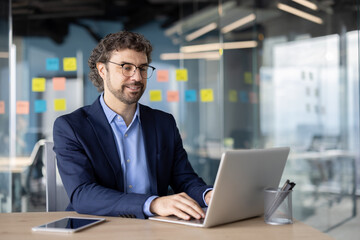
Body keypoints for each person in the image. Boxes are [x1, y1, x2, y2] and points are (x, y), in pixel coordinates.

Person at [53, 31, 213, 220]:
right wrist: (153, 203)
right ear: (102, 70)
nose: (137, 77)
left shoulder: (164, 123)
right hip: (96, 228)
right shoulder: (71, 127)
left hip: (154, 229)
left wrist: (208, 195)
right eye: (126, 67)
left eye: (143, 68)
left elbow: (184, 179)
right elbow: (83, 194)